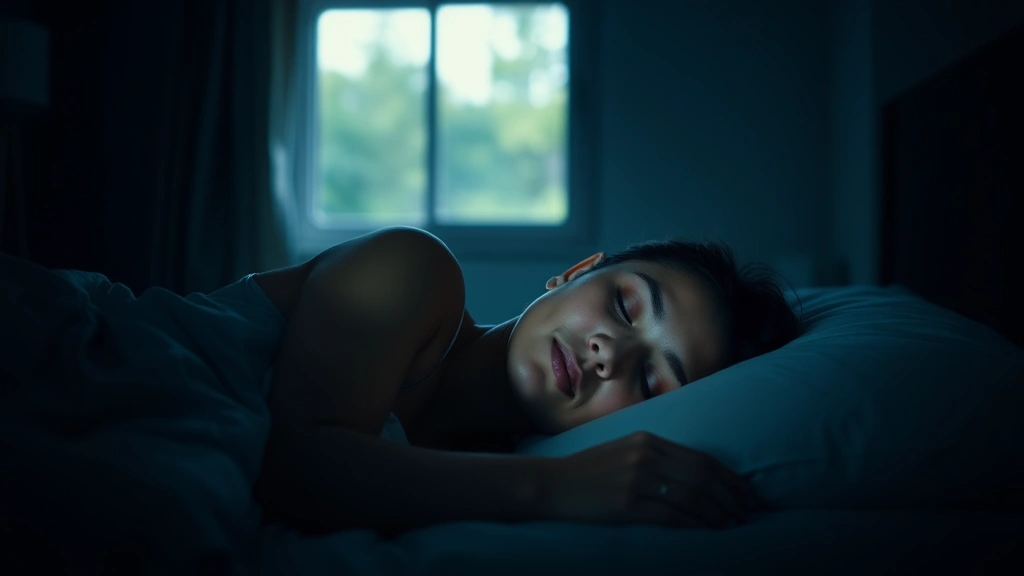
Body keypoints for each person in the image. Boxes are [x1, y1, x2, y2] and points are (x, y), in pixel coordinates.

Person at [251, 226, 800, 536]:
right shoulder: (413, 269)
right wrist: (558, 484)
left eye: (652, 382)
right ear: (577, 271)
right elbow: (297, 468)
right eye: (624, 306)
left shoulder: (483, 483)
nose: (607, 354)